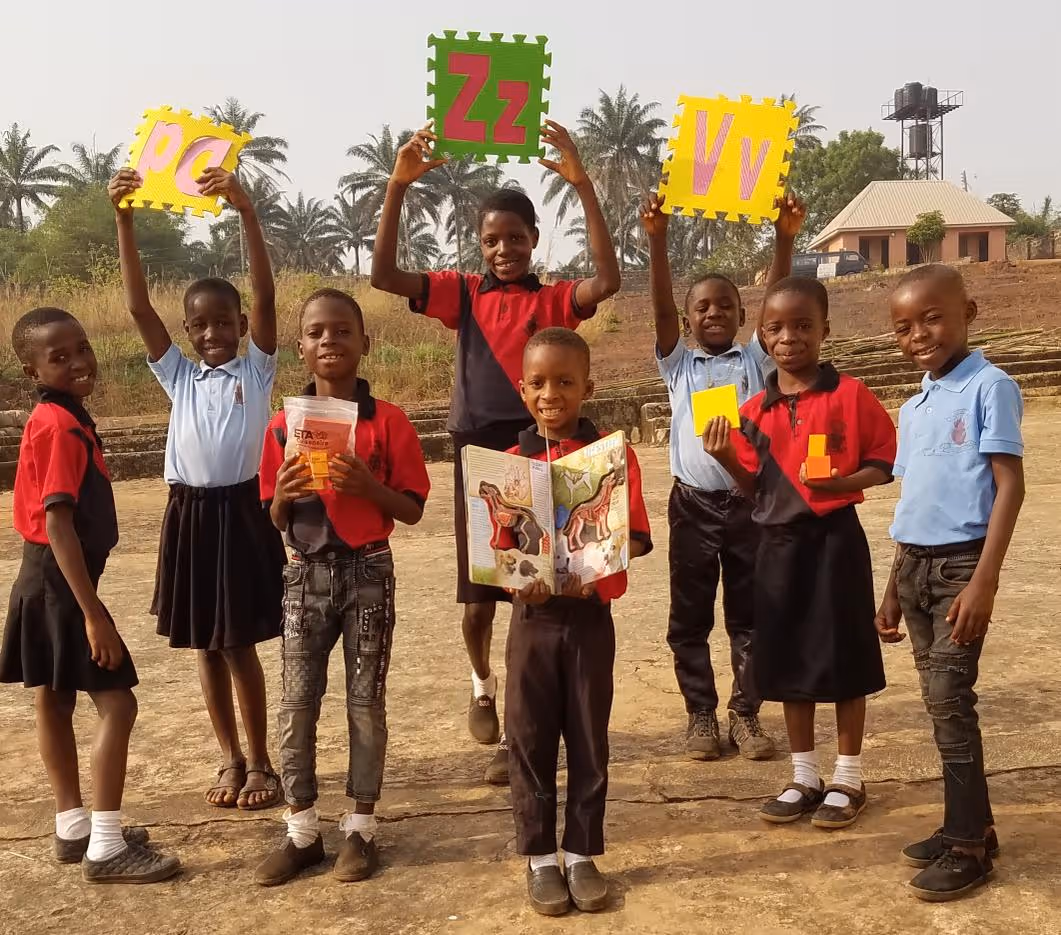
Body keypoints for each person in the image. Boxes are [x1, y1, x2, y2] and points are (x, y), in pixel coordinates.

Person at [370, 120, 620, 784]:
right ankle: (479, 682)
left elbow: (608, 277)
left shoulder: (553, 298)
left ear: (535, 239)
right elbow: (384, 274)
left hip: (542, 450)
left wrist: (581, 182)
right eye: (491, 239)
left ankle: (519, 736)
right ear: (477, 246)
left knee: (531, 599)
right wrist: (397, 187)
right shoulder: (464, 293)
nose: (503, 247)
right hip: (480, 454)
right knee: (479, 600)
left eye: (515, 237)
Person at [108, 168, 285, 812]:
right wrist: (124, 218)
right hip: (189, 517)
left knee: (237, 643)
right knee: (203, 646)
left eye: (222, 323)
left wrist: (246, 210)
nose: (211, 334)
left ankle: (263, 761)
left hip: (241, 513)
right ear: (187, 333)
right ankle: (229, 756)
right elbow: (137, 306)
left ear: (240, 323)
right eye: (199, 326)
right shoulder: (178, 376)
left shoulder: (257, 367)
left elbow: (266, 292)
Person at [701, 277, 895, 830]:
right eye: (777, 328)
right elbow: (750, 487)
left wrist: (843, 483)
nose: (790, 338)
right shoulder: (752, 410)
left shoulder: (850, 396)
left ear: (824, 331)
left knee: (845, 655)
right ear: (762, 336)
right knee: (786, 658)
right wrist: (724, 459)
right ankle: (804, 774)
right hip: (778, 546)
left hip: (835, 540)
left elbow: (884, 461)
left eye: (804, 325)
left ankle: (849, 776)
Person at [254, 289, 430, 886]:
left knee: (364, 701)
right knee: (298, 702)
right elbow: (273, 514)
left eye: (342, 331)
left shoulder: (389, 422)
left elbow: (411, 508)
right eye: (316, 332)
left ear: (364, 343)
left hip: (368, 570)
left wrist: (367, 489)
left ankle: (359, 827)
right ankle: (301, 829)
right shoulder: (283, 424)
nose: (329, 340)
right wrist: (280, 497)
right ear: (300, 347)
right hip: (306, 572)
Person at [1, 307, 181, 884]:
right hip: (59, 583)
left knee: (54, 700)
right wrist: (93, 615)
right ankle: (105, 845)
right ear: (33, 371)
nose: (78, 362)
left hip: (41, 582)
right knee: (118, 703)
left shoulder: (64, 417)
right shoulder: (57, 425)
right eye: (60, 357)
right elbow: (58, 525)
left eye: (82, 349)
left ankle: (73, 825)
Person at [876, 265, 1025, 902]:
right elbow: (915, 497)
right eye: (904, 327)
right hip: (915, 567)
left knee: (948, 702)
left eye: (933, 318)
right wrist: (891, 583)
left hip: (963, 566)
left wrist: (984, 582)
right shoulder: (915, 405)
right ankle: (972, 825)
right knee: (943, 705)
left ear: (969, 311)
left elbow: (1010, 486)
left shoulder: (991, 386)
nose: (919, 335)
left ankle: (968, 848)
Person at [639, 191, 805, 762]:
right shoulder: (679, 364)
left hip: (749, 505)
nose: (714, 313)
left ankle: (746, 714)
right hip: (693, 505)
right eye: (702, 307)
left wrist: (785, 237)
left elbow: (777, 301)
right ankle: (700, 716)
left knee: (749, 614)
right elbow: (659, 311)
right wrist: (657, 240)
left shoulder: (755, 362)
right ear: (688, 320)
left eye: (726, 306)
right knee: (689, 615)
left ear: (742, 316)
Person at [503, 327, 652, 916]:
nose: (550, 394)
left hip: (590, 618)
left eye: (565, 382)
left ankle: (583, 852)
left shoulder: (613, 459)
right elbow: (497, 549)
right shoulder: (509, 464)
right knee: (530, 735)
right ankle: (541, 858)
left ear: (587, 387)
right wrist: (521, 574)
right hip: (532, 618)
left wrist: (599, 561)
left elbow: (636, 537)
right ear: (521, 389)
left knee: (589, 737)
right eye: (538, 383)